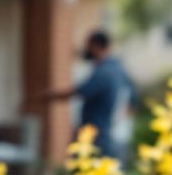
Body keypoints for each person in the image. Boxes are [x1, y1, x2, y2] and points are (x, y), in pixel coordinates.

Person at [38, 30, 138, 158]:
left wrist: (51, 96)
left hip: (97, 135)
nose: (87, 50)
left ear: (96, 46)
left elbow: (81, 91)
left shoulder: (104, 72)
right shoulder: (118, 69)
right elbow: (133, 100)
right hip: (112, 135)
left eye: (89, 46)